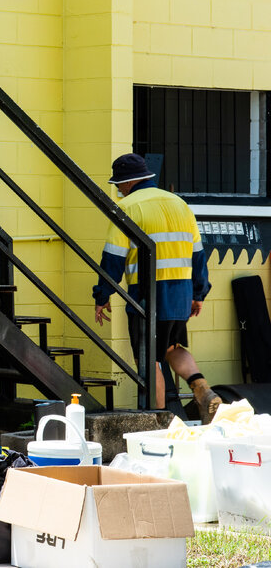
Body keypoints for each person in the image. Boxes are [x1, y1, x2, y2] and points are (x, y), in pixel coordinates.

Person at [92, 152, 220, 421]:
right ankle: (202, 390)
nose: (118, 191)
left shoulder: (128, 208)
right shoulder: (179, 204)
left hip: (148, 292)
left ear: (127, 183)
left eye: (118, 185)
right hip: (181, 292)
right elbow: (198, 253)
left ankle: (159, 422)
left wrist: (102, 295)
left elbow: (113, 257)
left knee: (150, 359)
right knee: (172, 347)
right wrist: (198, 294)